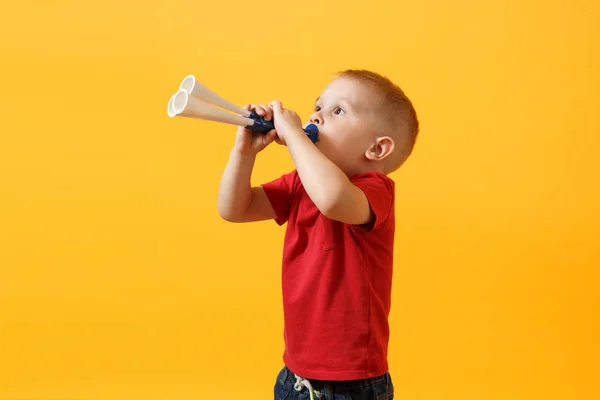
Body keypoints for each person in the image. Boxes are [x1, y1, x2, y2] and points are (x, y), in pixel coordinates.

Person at [217, 69, 419, 400]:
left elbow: (332, 200)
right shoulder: (301, 183)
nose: (316, 116)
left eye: (337, 111)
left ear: (377, 149)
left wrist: (295, 136)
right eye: (318, 107)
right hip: (295, 374)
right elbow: (234, 209)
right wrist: (244, 153)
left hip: (352, 382)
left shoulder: (375, 190)